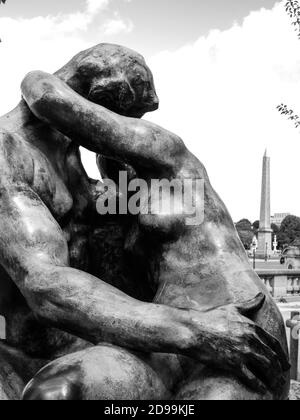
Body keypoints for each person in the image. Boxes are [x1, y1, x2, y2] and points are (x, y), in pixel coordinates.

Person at [15, 44, 289, 400]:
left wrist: (39, 77)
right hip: (172, 337)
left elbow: (46, 95)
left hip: (240, 317)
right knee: (55, 392)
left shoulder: (166, 151)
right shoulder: (123, 197)